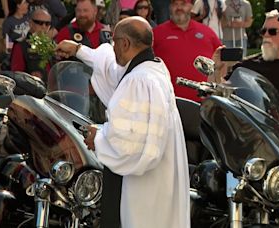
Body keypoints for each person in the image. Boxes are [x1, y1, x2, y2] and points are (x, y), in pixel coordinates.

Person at [55, 16, 190, 228]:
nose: (113, 45)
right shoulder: (153, 69)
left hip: (142, 188)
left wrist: (98, 137)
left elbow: (131, 143)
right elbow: (111, 68)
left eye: (114, 41)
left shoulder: (139, 81)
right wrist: (79, 50)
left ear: (125, 43)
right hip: (159, 182)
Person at [211, 9, 279, 148]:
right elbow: (218, 95)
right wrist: (216, 69)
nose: (266, 36)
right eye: (263, 31)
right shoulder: (247, 66)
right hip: (251, 151)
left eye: (272, 31)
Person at [153, 0, 221, 102]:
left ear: (191, 7)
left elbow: (222, 61)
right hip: (168, 102)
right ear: (170, 7)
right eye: (175, 4)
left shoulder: (207, 32)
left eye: (183, 4)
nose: (179, 8)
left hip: (204, 102)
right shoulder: (156, 34)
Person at [10, 7, 53, 80]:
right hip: (33, 88)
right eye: (39, 23)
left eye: (47, 23)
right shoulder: (21, 46)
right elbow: (17, 75)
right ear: (30, 23)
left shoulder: (53, 45)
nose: (43, 26)